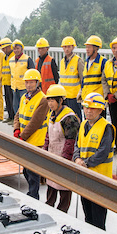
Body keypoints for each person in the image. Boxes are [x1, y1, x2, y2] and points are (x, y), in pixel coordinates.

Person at [73, 92, 114, 230]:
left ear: (100, 110)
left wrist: (85, 163)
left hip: (99, 179)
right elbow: (77, 145)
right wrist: (77, 158)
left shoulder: (106, 127)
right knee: (88, 216)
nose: (88, 111)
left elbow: (103, 152)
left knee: (98, 218)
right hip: (85, 177)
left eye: (92, 108)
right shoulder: (83, 124)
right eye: (86, 107)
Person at [43, 84, 80, 213]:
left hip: (64, 157)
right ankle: (49, 206)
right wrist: (45, 150)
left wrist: (64, 160)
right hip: (52, 154)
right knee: (51, 184)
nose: (50, 103)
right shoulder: (52, 114)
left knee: (64, 186)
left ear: (60, 100)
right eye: (48, 100)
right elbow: (48, 134)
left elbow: (71, 142)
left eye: (52, 100)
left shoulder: (69, 117)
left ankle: (62, 211)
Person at [15, 69, 48, 199]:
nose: (28, 85)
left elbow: (36, 122)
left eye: (31, 82)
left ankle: (33, 196)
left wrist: (22, 136)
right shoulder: (24, 97)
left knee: (32, 172)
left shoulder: (43, 100)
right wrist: (16, 129)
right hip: (25, 140)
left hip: (36, 142)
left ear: (37, 83)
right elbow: (17, 115)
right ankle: (31, 194)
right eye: (27, 82)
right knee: (26, 171)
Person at [9, 40, 35, 125]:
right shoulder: (11, 60)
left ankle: (25, 122)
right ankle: (18, 122)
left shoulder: (27, 59)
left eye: (18, 48)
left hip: (24, 87)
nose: (16, 50)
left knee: (25, 105)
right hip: (15, 87)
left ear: (22, 49)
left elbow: (33, 72)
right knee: (15, 106)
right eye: (14, 49)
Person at [59, 36, 84, 117]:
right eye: (65, 47)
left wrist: (81, 93)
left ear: (73, 47)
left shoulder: (78, 60)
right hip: (64, 97)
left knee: (76, 119)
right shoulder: (62, 61)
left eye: (69, 47)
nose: (67, 49)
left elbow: (83, 79)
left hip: (74, 97)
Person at [0, 38, 15, 122]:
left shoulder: (13, 56)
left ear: (9, 47)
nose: (3, 50)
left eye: (4, 48)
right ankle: (10, 116)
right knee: (8, 100)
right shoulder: (5, 57)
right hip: (6, 81)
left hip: (11, 82)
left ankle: (13, 117)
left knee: (13, 101)